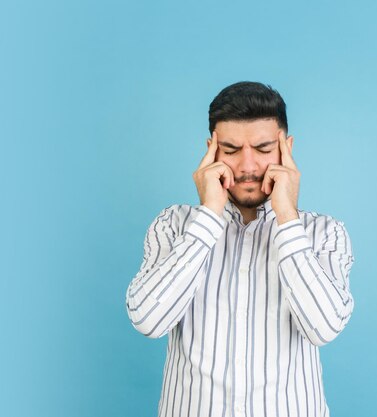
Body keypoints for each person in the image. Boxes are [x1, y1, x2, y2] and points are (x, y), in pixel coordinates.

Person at [125, 81, 355, 417]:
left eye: (263, 149)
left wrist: (287, 217)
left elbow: (323, 328)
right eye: (231, 150)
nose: (247, 166)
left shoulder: (324, 233)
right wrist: (208, 217)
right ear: (211, 151)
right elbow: (148, 320)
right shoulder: (174, 225)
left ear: (286, 149)